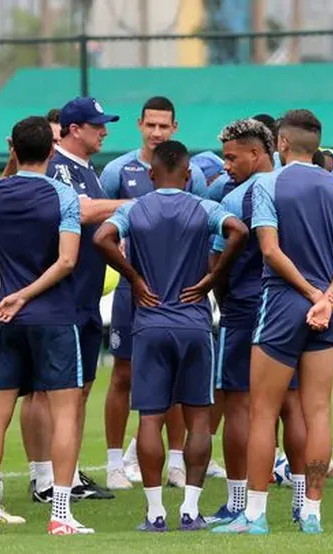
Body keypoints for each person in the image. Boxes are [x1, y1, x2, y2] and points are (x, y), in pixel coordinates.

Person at [214, 109, 333, 535]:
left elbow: (271, 251)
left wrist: (312, 294)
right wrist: (329, 296)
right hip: (324, 311)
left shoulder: (268, 184)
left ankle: (255, 515)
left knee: (261, 412)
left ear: (280, 143)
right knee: (318, 412)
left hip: (282, 303)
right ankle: (311, 513)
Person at [94, 140, 247, 532]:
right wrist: (213, 278)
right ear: (189, 174)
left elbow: (101, 238)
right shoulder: (205, 207)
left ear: (150, 174)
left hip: (150, 323)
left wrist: (134, 278)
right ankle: (191, 511)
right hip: (194, 323)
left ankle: (155, 512)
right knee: (198, 418)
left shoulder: (133, 208)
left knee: (150, 417)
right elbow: (239, 231)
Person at [0, 116, 89, 536]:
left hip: (9, 318)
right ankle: (60, 515)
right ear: (52, 150)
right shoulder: (65, 196)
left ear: (13, 150)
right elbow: (67, 261)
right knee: (64, 416)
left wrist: (17, 296)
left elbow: (6, 180)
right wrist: (28, 294)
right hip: (54, 317)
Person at [99, 96, 209, 488]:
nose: (157, 132)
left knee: (179, 380)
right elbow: (100, 221)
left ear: (174, 128)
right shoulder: (117, 171)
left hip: (178, 293)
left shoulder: (187, 172)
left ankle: (177, 461)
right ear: (140, 125)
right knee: (123, 375)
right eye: (151, 125)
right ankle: (114, 463)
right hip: (134, 291)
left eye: (164, 126)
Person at [34, 96, 123, 500]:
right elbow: (82, 212)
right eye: (96, 124)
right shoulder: (57, 167)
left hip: (86, 298)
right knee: (55, 392)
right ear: (73, 129)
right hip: (62, 300)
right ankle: (47, 479)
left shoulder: (90, 171)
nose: (104, 131)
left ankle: (65, 474)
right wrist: (137, 205)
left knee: (82, 388)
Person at [207, 118, 280, 524]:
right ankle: (306, 501)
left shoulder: (235, 201)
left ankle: (239, 501)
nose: (226, 165)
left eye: (232, 157)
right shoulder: (300, 188)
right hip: (289, 308)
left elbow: (216, 262)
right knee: (298, 404)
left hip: (243, 307)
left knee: (238, 403)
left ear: (257, 153)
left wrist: (221, 294)